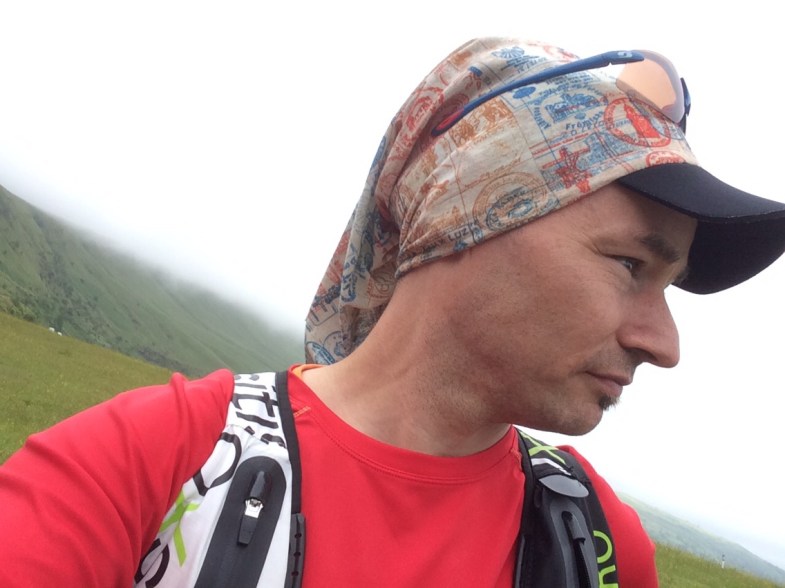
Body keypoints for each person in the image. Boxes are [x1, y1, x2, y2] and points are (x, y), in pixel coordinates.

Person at [2, 37, 785, 587]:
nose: (662, 342)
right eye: (629, 266)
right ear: (469, 220)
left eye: (668, 283)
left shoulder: (596, 545)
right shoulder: (151, 468)